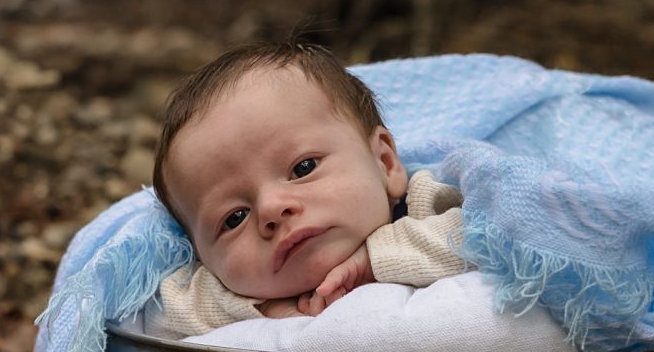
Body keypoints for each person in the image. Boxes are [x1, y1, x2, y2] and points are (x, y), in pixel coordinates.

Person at [145, 41, 469, 337]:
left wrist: (377, 258)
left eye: (303, 168)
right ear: (204, 259)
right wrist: (261, 309)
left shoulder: (429, 202)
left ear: (385, 163)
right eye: (234, 218)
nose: (272, 207)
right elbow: (164, 308)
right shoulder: (237, 292)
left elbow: (498, 238)